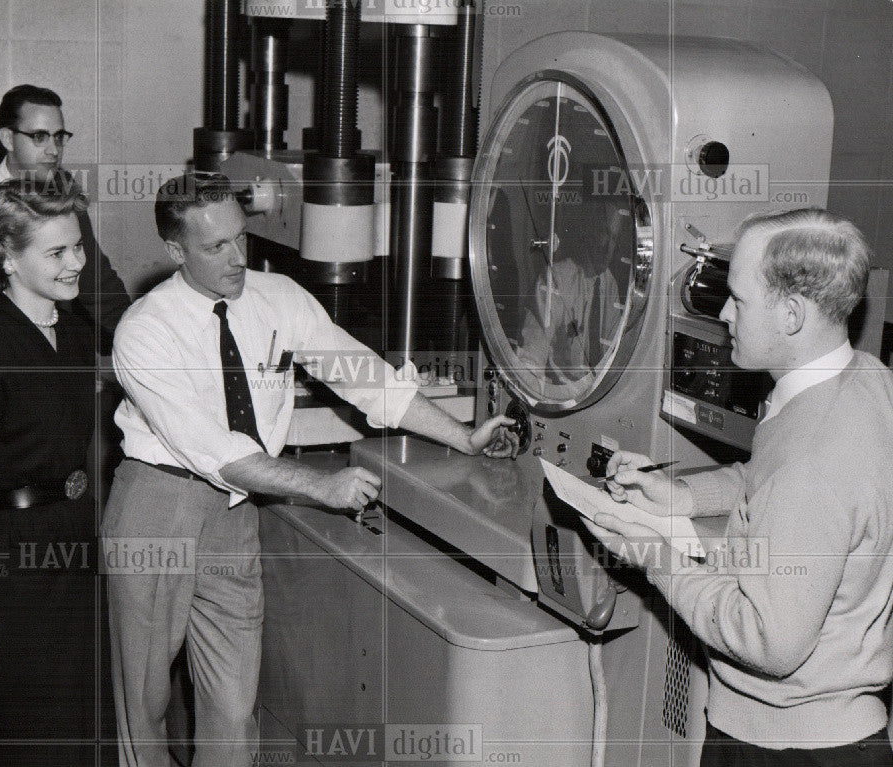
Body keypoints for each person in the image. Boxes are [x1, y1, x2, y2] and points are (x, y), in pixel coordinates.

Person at [103, 171, 519, 767]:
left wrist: (462, 437)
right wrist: (323, 486)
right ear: (175, 251)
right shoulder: (144, 330)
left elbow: (365, 375)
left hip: (233, 512)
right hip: (157, 504)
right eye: (215, 247)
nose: (237, 258)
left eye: (240, 238)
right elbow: (217, 452)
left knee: (232, 703)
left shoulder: (279, 298)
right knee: (144, 701)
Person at [588, 208, 893, 766]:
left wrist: (654, 555)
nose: (724, 313)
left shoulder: (816, 457)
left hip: (784, 747)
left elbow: (766, 640)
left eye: (739, 299)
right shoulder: (863, 381)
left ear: (792, 315)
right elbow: (772, 482)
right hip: (835, 733)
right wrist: (686, 497)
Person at [0, 180, 100, 765]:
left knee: (81, 724)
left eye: (77, 246)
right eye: (57, 253)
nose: (77, 262)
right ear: (7, 256)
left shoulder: (76, 333)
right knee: (35, 736)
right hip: (14, 564)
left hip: (77, 545)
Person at [0, 83, 130, 352]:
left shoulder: (62, 188)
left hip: (47, 342)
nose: (53, 150)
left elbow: (95, 280)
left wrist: (136, 333)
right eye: (39, 136)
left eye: (59, 137)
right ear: (7, 139)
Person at [516, 201, 629, 401]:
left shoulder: (609, 281)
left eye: (614, 238)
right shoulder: (556, 279)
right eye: (604, 234)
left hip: (598, 394)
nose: (608, 247)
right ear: (589, 232)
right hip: (560, 395)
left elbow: (614, 350)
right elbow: (532, 354)